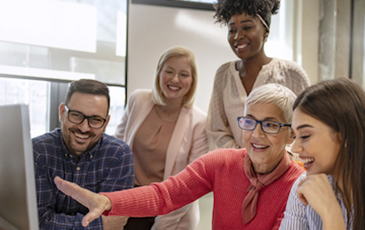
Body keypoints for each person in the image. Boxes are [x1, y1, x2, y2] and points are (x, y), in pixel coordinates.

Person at [54, 83, 305, 229]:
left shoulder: (300, 186)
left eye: (270, 125)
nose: (257, 134)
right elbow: (164, 195)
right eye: (249, 122)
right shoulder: (222, 162)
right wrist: (107, 202)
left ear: (291, 135)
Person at [114, 46, 208, 230]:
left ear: (192, 80)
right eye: (169, 71)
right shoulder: (138, 99)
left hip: (169, 210)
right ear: (159, 73)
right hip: (128, 199)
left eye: (183, 74)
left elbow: (190, 185)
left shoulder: (200, 122)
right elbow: (116, 147)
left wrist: (161, 224)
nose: (175, 79)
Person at [206, 0, 311, 150]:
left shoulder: (292, 74)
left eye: (247, 27)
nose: (238, 36)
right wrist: (243, 159)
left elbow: (306, 127)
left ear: (266, 31)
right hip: (235, 167)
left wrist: (273, 160)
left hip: (283, 168)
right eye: (232, 30)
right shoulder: (223, 75)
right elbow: (216, 130)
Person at [32, 79, 134, 229]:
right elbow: (38, 223)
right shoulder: (38, 152)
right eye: (76, 115)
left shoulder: (118, 155)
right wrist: (99, 225)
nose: (84, 128)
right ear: (62, 113)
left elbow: (115, 222)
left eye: (95, 119)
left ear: (105, 124)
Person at [279, 77, 365, 230]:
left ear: (345, 135)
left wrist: (330, 214)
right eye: (295, 136)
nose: (295, 148)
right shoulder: (304, 187)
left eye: (305, 136)